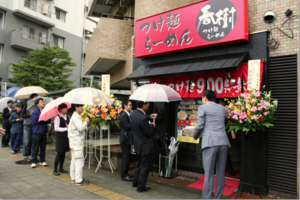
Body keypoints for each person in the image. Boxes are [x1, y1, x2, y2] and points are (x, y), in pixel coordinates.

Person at [193, 90, 231, 199]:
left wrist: (194, 136)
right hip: (223, 142)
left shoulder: (202, 108)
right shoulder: (223, 109)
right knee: (220, 172)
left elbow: (199, 125)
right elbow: (227, 119)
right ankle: (218, 197)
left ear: (205, 98)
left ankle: (207, 198)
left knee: (209, 174)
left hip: (210, 143)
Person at [131, 101, 157, 192]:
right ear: (143, 106)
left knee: (138, 164)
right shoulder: (142, 118)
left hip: (138, 144)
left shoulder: (134, 113)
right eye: (148, 105)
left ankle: (135, 182)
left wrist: (149, 116)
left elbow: (140, 119)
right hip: (145, 145)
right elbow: (148, 132)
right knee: (144, 166)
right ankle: (141, 186)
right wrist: (152, 126)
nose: (148, 106)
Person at [68, 104, 89, 186]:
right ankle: (79, 179)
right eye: (81, 106)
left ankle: (73, 177)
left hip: (73, 142)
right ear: (76, 107)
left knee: (74, 160)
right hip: (77, 142)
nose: (82, 108)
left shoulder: (74, 116)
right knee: (79, 161)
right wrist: (86, 122)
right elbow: (80, 128)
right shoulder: (76, 116)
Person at [31, 98, 51, 168]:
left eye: (43, 102)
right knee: (35, 147)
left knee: (43, 147)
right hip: (37, 131)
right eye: (41, 102)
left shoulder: (45, 111)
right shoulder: (34, 112)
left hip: (44, 131)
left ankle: (42, 160)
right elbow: (36, 121)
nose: (43, 103)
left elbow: (49, 120)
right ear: (37, 104)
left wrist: (43, 119)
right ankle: (34, 160)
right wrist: (43, 119)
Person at [218, 99, 236, 176]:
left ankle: (229, 168)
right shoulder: (217, 110)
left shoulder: (227, 110)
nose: (220, 103)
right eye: (219, 102)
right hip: (217, 132)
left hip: (225, 132)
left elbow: (229, 122)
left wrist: (232, 132)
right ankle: (217, 168)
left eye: (221, 102)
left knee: (225, 150)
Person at [53, 103, 70, 176]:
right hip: (60, 137)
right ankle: (55, 169)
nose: (66, 109)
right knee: (59, 153)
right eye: (64, 108)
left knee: (63, 153)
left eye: (66, 108)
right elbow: (56, 128)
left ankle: (61, 168)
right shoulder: (57, 117)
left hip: (66, 137)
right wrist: (65, 128)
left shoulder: (68, 116)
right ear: (60, 109)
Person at [119, 100, 134, 181]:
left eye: (131, 105)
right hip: (125, 139)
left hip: (126, 139)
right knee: (126, 157)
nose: (131, 106)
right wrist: (133, 121)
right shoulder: (124, 115)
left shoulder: (128, 114)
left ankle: (125, 174)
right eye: (129, 105)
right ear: (125, 105)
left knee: (127, 157)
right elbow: (127, 127)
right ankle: (124, 175)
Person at [21, 93, 38, 162]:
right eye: (35, 98)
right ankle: (26, 156)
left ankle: (34, 156)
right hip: (27, 125)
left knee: (35, 142)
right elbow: (22, 115)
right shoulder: (26, 106)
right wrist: (29, 114)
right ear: (31, 99)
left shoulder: (37, 107)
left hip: (35, 126)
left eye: (37, 98)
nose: (36, 99)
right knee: (27, 141)